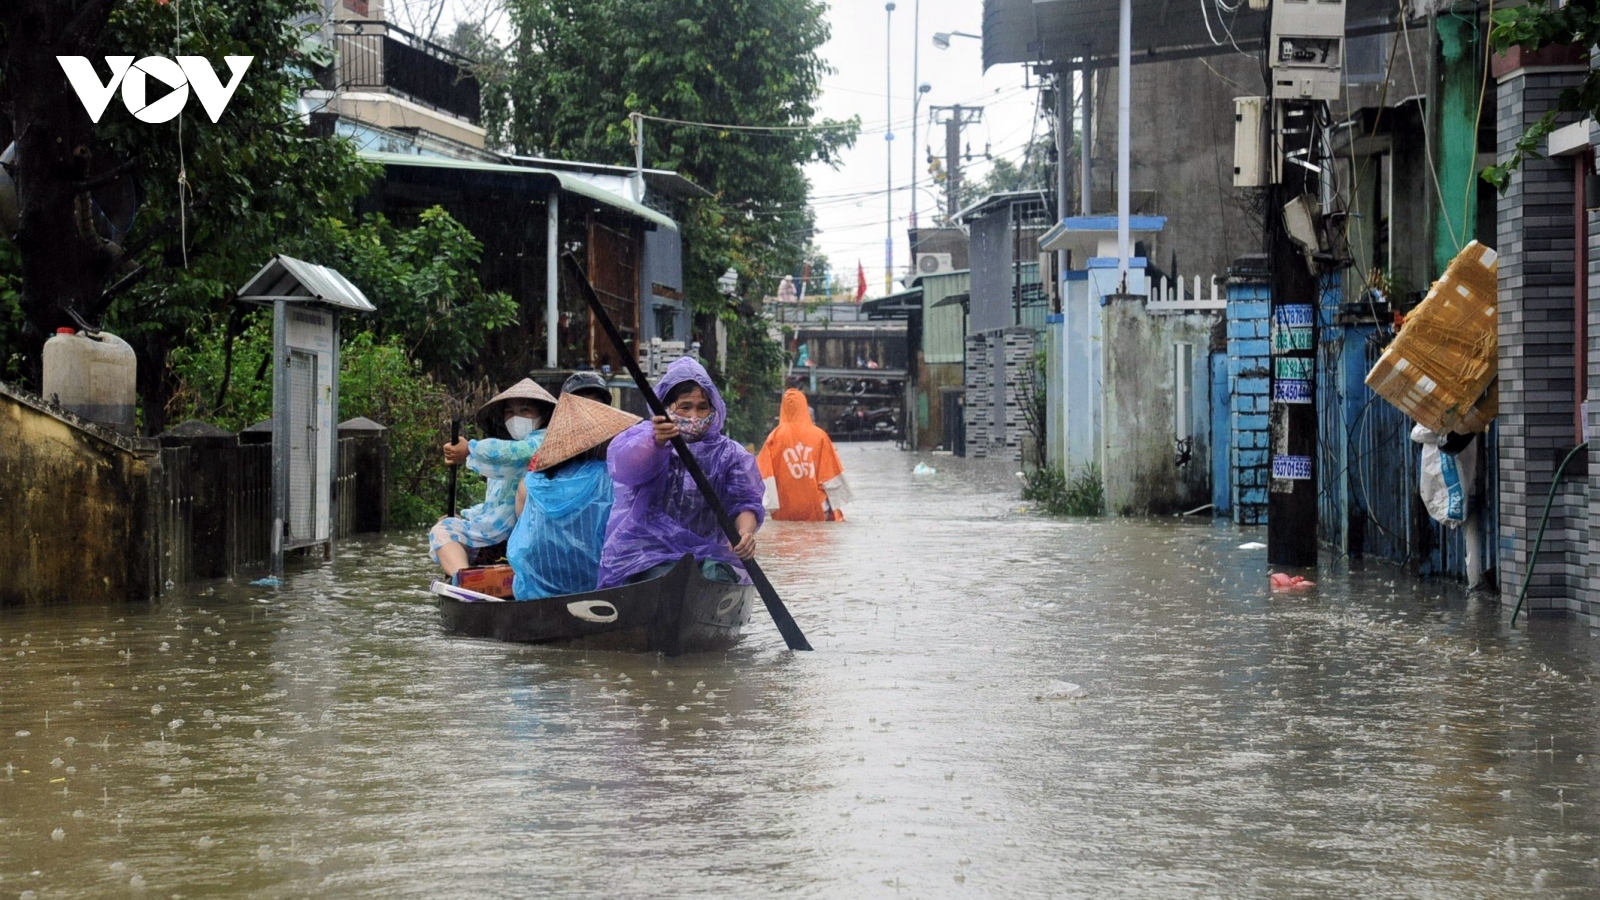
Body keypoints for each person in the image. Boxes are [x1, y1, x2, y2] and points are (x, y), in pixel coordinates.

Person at [597, 358, 765, 588]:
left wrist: (745, 534)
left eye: (702, 407)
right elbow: (626, 469)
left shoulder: (730, 454)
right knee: (662, 578)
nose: (694, 416)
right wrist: (656, 442)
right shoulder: (643, 439)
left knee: (715, 577)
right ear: (665, 408)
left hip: (709, 555)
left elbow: (744, 501)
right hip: (647, 552)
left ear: (713, 408)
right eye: (685, 407)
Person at [506, 393, 641, 600]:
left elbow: (524, 536)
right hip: (595, 588)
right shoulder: (610, 478)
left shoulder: (531, 482)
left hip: (534, 592)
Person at [430, 378, 556, 579]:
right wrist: (463, 517)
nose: (516, 417)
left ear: (543, 414)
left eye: (525, 410)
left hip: (531, 532)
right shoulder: (508, 453)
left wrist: (470, 449)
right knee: (443, 530)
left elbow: (518, 453)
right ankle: (464, 578)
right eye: (510, 412)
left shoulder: (546, 441)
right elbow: (495, 506)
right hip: (500, 532)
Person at [757, 389, 851, 521]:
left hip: (785, 508)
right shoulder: (820, 436)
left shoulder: (774, 437)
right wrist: (836, 509)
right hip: (817, 507)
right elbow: (830, 476)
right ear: (804, 406)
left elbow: (763, 476)